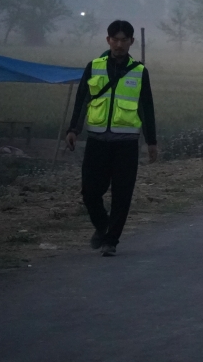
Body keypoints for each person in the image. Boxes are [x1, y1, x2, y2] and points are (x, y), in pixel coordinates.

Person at [65, 20, 156, 257]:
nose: (119, 44)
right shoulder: (93, 66)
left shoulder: (139, 71)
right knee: (90, 192)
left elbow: (147, 108)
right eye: (114, 39)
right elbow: (82, 100)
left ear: (131, 42)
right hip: (97, 141)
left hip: (126, 143)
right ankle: (104, 226)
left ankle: (111, 241)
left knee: (122, 193)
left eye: (123, 40)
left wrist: (152, 141)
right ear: (108, 40)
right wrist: (73, 129)